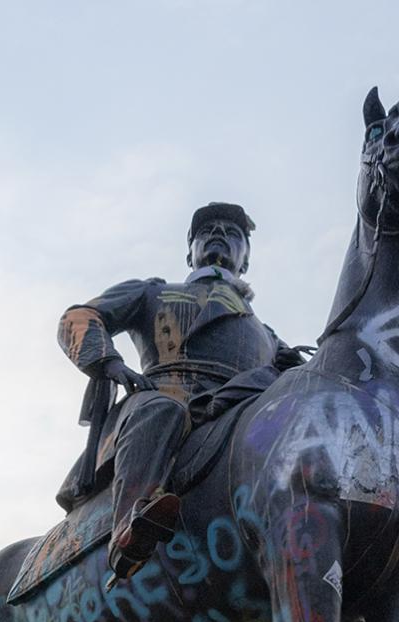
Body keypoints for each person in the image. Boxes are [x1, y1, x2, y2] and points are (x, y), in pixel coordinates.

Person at [57, 202, 305, 583]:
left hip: (234, 410)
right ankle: (128, 527)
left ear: (247, 260)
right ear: (189, 251)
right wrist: (107, 361)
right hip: (161, 399)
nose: (219, 234)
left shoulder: (267, 335)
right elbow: (81, 317)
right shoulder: (152, 292)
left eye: (233, 232)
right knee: (161, 411)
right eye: (207, 230)